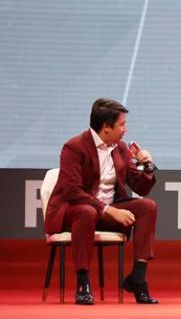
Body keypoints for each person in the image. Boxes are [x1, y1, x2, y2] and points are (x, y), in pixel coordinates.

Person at [45, 98, 159, 305]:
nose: (125, 129)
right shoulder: (74, 147)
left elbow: (140, 187)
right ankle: (83, 284)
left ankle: (138, 279)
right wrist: (108, 210)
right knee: (86, 212)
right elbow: (72, 191)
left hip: (104, 213)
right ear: (106, 127)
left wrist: (148, 167)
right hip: (73, 212)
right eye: (122, 124)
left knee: (147, 207)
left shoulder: (120, 148)